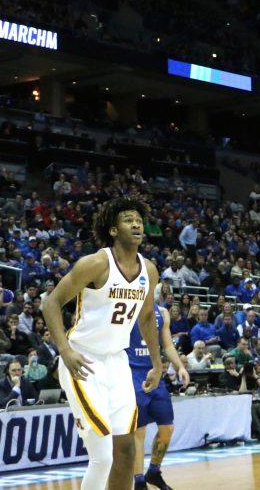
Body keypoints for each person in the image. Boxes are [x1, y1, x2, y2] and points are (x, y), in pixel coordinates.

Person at [41, 198, 162, 490]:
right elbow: (51, 303)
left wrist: (157, 364)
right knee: (103, 456)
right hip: (84, 359)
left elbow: (146, 318)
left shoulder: (149, 270)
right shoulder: (95, 263)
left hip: (118, 361)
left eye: (138, 219)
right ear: (112, 230)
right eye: (128, 219)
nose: (136, 224)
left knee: (126, 451)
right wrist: (65, 350)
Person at [128, 300, 189, 490]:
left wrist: (179, 366)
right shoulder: (126, 306)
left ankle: (153, 471)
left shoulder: (162, 312)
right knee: (139, 430)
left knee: (167, 428)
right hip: (132, 373)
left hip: (155, 372)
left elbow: (168, 346)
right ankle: (139, 481)